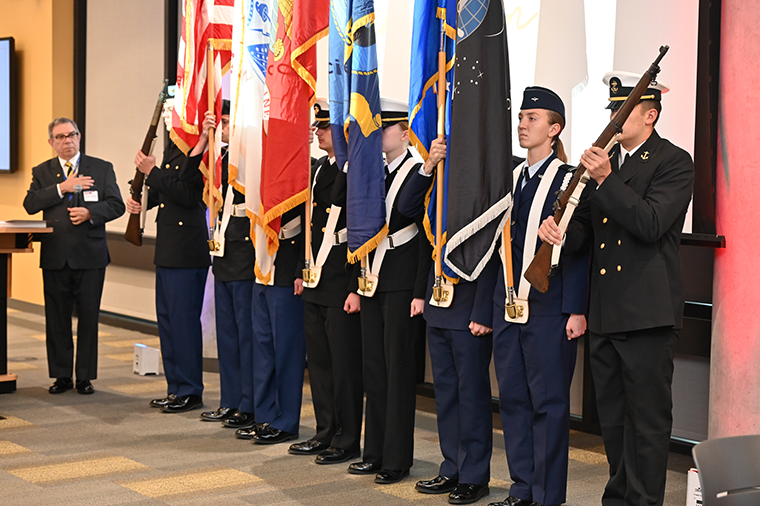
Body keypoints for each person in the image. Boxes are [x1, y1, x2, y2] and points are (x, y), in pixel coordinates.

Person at [538, 72, 694, 506]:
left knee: (647, 422)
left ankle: (644, 501)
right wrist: (561, 234)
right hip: (606, 312)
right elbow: (586, 232)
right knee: (613, 421)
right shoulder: (605, 164)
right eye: (611, 110)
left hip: (647, 314)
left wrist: (607, 180)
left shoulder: (673, 161)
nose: (613, 118)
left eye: (622, 110)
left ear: (650, 114)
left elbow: (649, 223)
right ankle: (618, 497)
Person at [488, 87, 590, 506]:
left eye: (533, 118)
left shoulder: (569, 180)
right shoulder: (510, 178)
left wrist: (576, 310)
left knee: (547, 406)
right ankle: (522, 489)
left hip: (549, 310)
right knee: (512, 400)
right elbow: (498, 253)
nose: (523, 124)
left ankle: (547, 497)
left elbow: (583, 245)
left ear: (555, 129)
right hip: (508, 306)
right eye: (522, 117)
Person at [398, 126, 499, 505]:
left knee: (471, 395)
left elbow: (493, 252)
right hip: (438, 304)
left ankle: (475, 475)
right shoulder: (441, 177)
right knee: (447, 395)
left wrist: (482, 308)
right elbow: (410, 212)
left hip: (469, 308)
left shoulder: (491, 178)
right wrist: (428, 166)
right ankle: (451, 466)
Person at [347, 98, 428, 485]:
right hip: (371, 279)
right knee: (374, 370)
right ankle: (373, 451)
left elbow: (416, 224)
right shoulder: (373, 170)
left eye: (386, 128)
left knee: (397, 373)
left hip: (400, 280)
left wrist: (419, 291)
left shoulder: (417, 170)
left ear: (405, 132)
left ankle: (396, 458)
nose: (379, 135)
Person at [23, 118, 125, 395]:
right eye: (60, 137)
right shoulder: (43, 172)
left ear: (79, 137)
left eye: (72, 135)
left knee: (89, 318)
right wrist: (62, 188)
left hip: (90, 256)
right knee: (56, 318)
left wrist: (91, 213)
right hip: (56, 256)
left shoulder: (101, 168)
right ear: (51, 142)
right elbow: (30, 204)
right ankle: (61, 376)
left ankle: (84, 377)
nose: (67, 141)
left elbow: (117, 205)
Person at [287, 99, 364, 464]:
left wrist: (354, 286)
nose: (317, 133)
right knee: (318, 362)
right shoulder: (320, 170)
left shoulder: (357, 171)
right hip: (316, 277)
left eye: (324, 127)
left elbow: (361, 234)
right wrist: (305, 272)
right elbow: (312, 230)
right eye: (317, 127)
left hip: (341, 280)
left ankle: (347, 439)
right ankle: (324, 431)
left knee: (344, 366)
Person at [127, 108, 213, 413]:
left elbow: (188, 196)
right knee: (167, 323)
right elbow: (167, 194)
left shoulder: (202, 152)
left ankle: (190, 390)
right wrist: (140, 203)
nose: (170, 121)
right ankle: (176, 387)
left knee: (183, 324)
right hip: (168, 250)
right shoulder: (175, 149)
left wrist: (152, 172)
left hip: (186, 253)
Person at [199, 100, 257, 429]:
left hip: (245, 255)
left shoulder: (250, 159)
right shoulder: (220, 159)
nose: (221, 128)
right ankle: (229, 399)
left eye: (225, 123)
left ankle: (248, 403)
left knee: (247, 336)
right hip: (223, 256)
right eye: (220, 123)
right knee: (228, 334)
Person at [238, 197, 305, 444]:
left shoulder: (302, 171)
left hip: (287, 271)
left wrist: (300, 270)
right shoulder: (260, 166)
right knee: (263, 348)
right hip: (263, 266)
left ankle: (286, 421)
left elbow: (308, 226)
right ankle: (264, 416)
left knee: (286, 352)